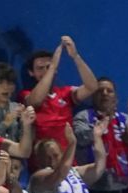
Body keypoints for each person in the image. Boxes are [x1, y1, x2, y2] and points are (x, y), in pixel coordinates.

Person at [20, 36, 99, 164]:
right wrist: (52, 68)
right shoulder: (26, 94)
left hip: (68, 163)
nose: (46, 71)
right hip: (43, 165)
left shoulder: (66, 93)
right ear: (31, 73)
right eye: (40, 68)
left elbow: (92, 87)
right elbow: (36, 101)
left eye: (48, 67)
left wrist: (75, 56)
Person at [74, 76, 128, 193]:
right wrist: (99, 129)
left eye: (109, 91)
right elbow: (80, 137)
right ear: (93, 96)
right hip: (93, 189)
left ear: (116, 97)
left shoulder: (125, 120)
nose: (105, 94)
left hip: (121, 189)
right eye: (100, 91)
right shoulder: (83, 117)